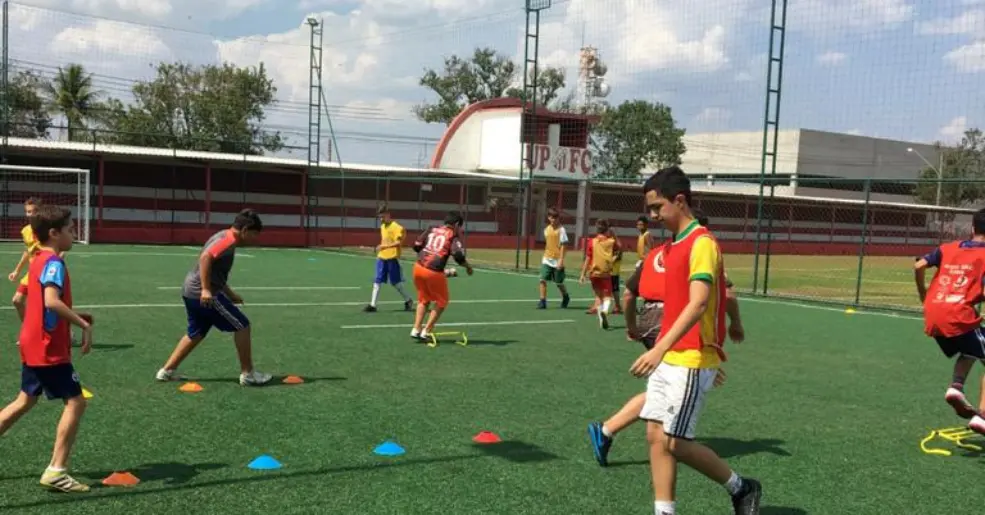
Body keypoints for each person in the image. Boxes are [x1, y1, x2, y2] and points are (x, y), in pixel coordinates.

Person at [627, 166, 760, 515]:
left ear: (680, 200)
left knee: (677, 442)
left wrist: (664, 348)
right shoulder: (672, 247)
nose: (652, 216)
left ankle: (742, 487)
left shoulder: (702, 243)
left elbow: (699, 302)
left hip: (686, 359)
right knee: (655, 436)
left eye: (657, 207)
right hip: (673, 358)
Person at [588, 209, 745, 468]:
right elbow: (724, 295)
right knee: (674, 385)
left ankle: (608, 431)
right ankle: (606, 429)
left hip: (648, 319)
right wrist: (735, 324)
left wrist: (632, 328)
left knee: (663, 385)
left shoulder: (657, 253)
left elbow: (628, 295)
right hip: (673, 322)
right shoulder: (699, 249)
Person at [0, 205, 93, 493]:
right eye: (70, 229)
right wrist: (83, 325)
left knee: (25, 401)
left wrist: (75, 316)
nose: (74, 233)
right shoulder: (54, 263)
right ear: (54, 233)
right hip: (47, 347)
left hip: (32, 342)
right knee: (76, 402)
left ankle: (57, 469)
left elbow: (29, 300)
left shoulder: (36, 258)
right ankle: (56, 470)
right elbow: (51, 301)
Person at [155, 209, 272, 386]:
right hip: (201, 293)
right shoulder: (228, 240)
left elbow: (215, 271)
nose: (255, 239)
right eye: (254, 234)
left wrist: (230, 294)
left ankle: (166, 371)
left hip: (190, 291)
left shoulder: (224, 236)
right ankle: (248, 374)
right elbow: (205, 258)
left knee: (196, 333)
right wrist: (206, 290)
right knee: (242, 326)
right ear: (245, 230)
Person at [915, 207, 985, 432]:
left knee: (973, 348)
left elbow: (918, 265)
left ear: (972, 228)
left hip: (934, 315)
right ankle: (982, 417)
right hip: (958, 315)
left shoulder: (948, 248)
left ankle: (956, 387)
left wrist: (924, 297)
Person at [411, 212, 474, 341]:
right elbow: (458, 256)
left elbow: (416, 246)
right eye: (460, 227)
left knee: (423, 299)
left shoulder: (432, 229)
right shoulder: (452, 235)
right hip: (433, 272)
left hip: (418, 267)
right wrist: (468, 267)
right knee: (442, 301)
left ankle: (416, 329)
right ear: (456, 224)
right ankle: (426, 331)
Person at [364, 204, 414, 313]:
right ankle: (373, 305)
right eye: (379, 217)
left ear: (388, 215)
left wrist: (384, 246)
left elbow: (398, 242)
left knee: (396, 283)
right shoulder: (382, 226)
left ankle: (408, 300)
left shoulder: (397, 227)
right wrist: (381, 247)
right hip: (382, 257)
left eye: (382, 217)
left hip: (393, 258)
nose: (381, 219)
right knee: (377, 280)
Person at [8, 197, 42, 329]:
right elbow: (27, 252)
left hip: (46, 271)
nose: (30, 214)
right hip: (32, 272)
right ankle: (31, 330)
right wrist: (17, 270)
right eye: (28, 211)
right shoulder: (26, 230)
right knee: (17, 301)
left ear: (40, 211)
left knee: (47, 306)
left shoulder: (49, 228)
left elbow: (60, 249)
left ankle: (67, 333)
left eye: (34, 211)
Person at [580, 219, 619, 329]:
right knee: (607, 297)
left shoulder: (591, 242)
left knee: (599, 297)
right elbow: (619, 248)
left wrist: (582, 274)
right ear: (608, 230)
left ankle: (602, 321)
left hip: (593, 274)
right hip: (605, 274)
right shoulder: (611, 241)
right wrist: (614, 235)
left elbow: (587, 259)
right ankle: (605, 311)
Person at [537, 207, 571, 309]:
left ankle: (566, 297)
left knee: (559, 283)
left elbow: (564, 245)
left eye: (556, 218)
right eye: (552, 217)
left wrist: (561, 260)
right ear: (548, 218)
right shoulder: (546, 230)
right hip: (547, 259)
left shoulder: (561, 230)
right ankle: (542, 301)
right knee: (542, 279)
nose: (554, 219)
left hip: (557, 260)